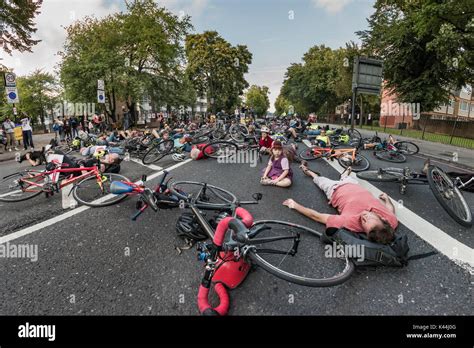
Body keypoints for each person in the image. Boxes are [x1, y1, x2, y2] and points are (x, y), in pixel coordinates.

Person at [283, 162, 397, 244]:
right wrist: (387, 199)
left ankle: (309, 172)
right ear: (383, 220)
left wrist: (294, 205)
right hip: (353, 185)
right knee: (345, 177)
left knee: (319, 180)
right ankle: (346, 173)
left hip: (334, 189)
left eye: (364, 223)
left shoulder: (349, 222)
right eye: (370, 218)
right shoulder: (390, 220)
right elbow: (390, 210)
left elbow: (316, 216)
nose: (364, 217)